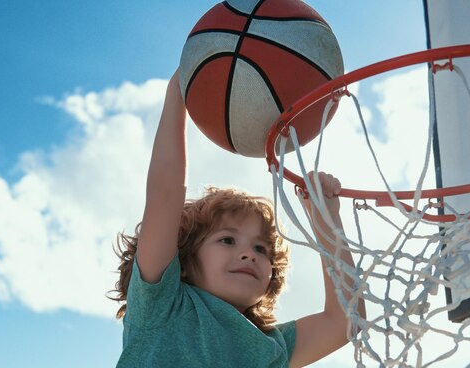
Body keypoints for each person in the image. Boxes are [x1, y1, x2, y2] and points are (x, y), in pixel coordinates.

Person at [109, 69, 366, 367]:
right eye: (227, 239)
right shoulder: (162, 305)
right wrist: (179, 92)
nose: (248, 254)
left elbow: (346, 320)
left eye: (261, 249)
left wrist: (325, 217)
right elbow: (165, 192)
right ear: (184, 261)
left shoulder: (272, 346)